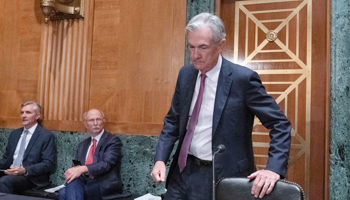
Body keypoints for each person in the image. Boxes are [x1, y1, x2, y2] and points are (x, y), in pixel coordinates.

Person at [150, 13, 291, 200]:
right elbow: (173, 121)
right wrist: (160, 159)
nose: (195, 55)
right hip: (182, 172)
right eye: (191, 47)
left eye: (202, 47)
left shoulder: (243, 79)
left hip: (221, 176)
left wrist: (274, 169)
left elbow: (280, 124)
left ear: (220, 45)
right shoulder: (185, 75)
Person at [58, 109, 124, 200]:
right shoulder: (83, 144)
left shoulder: (112, 140)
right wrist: (73, 171)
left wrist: (84, 168)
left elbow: (106, 164)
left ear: (103, 121)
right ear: (86, 124)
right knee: (71, 182)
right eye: (91, 120)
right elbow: (78, 166)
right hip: (85, 181)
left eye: (98, 119)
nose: (95, 123)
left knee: (63, 193)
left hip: (104, 184)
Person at [0, 101, 57, 194]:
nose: (24, 115)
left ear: (37, 116)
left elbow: (48, 163)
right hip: (10, 172)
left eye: (28, 112)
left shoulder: (45, 136)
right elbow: (6, 159)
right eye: (22, 112)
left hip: (31, 178)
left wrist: (24, 170)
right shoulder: (15, 134)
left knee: (4, 182)